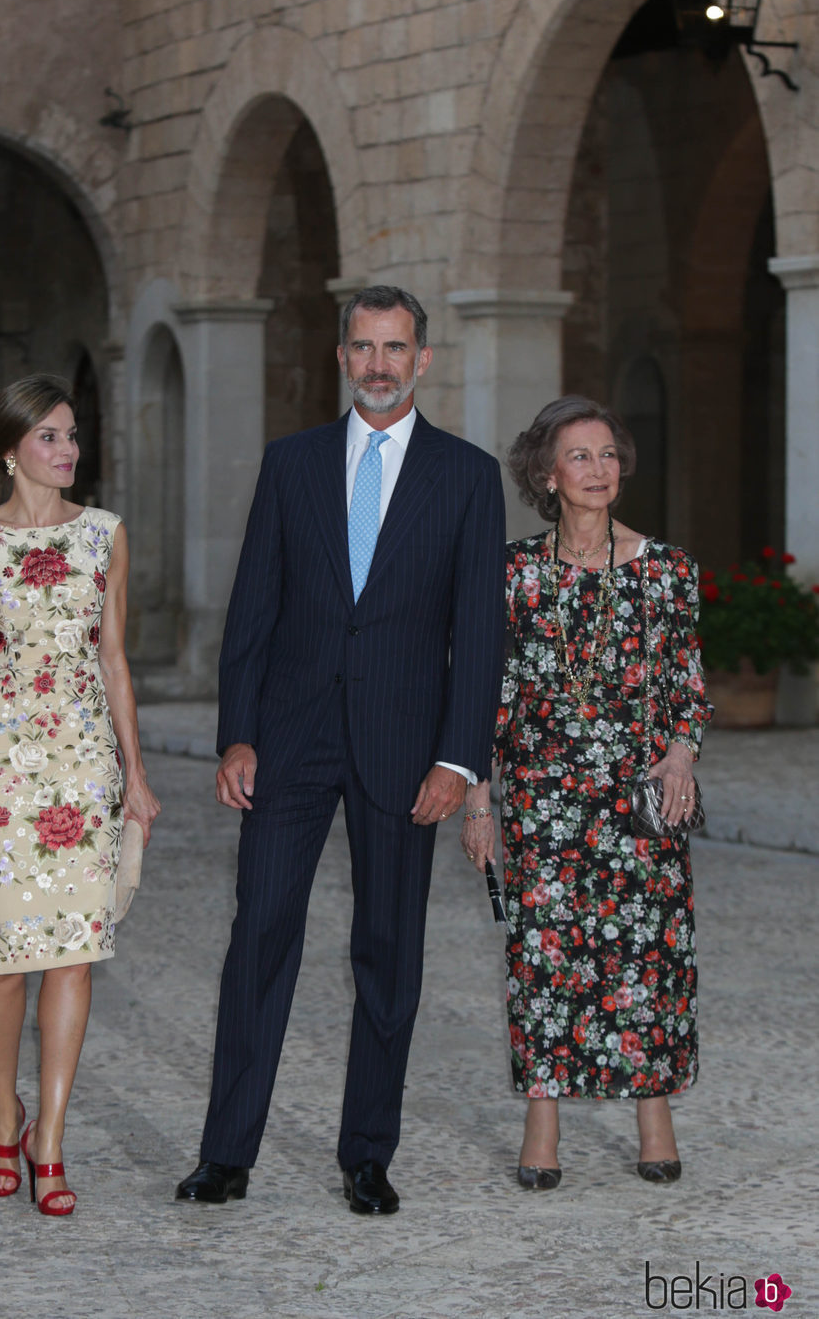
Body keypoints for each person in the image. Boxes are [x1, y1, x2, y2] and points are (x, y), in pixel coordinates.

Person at [176, 285, 506, 1213]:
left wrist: (459, 758)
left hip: (408, 753)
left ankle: (368, 1154)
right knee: (261, 934)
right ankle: (226, 1153)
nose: (377, 365)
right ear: (340, 356)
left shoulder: (467, 476)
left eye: (394, 348)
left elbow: (479, 633)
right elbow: (254, 609)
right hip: (288, 742)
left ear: (422, 360)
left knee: (389, 948)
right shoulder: (292, 464)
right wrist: (236, 734)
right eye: (362, 347)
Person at [461, 395, 713, 1190]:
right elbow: (488, 699)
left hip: (641, 802)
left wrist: (680, 757)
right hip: (543, 802)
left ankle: (654, 1115)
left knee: (650, 956)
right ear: (546, 473)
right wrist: (479, 804)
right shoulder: (511, 573)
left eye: (608, 454)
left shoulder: (667, 570)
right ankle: (543, 1121)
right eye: (580, 456)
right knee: (544, 958)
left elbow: (687, 687)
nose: (599, 470)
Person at [0, 374, 160, 1216]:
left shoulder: (104, 535)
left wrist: (135, 774)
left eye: (71, 435)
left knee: (74, 950)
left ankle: (52, 1140)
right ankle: (6, 1115)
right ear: (8, 450)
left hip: (84, 766)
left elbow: (114, 661)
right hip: (3, 771)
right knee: (1, 964)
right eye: (50, 438)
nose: (68, 451)